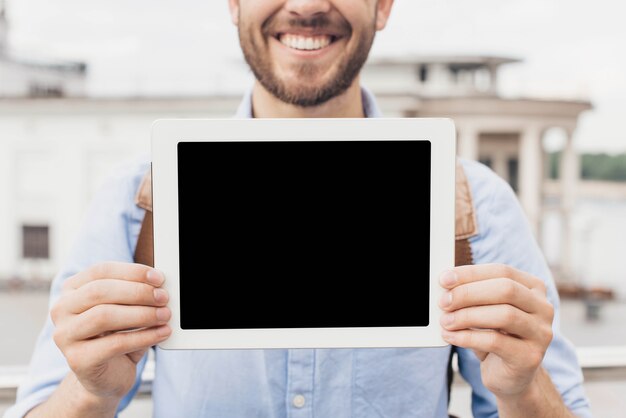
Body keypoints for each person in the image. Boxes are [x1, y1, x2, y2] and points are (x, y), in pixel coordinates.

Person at [6, 1, 591, 417]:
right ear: (232, 3)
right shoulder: (136, 203)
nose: (309, 5)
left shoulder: (475, 204)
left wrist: (522, 393)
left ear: (383, 5)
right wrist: (89, 394)